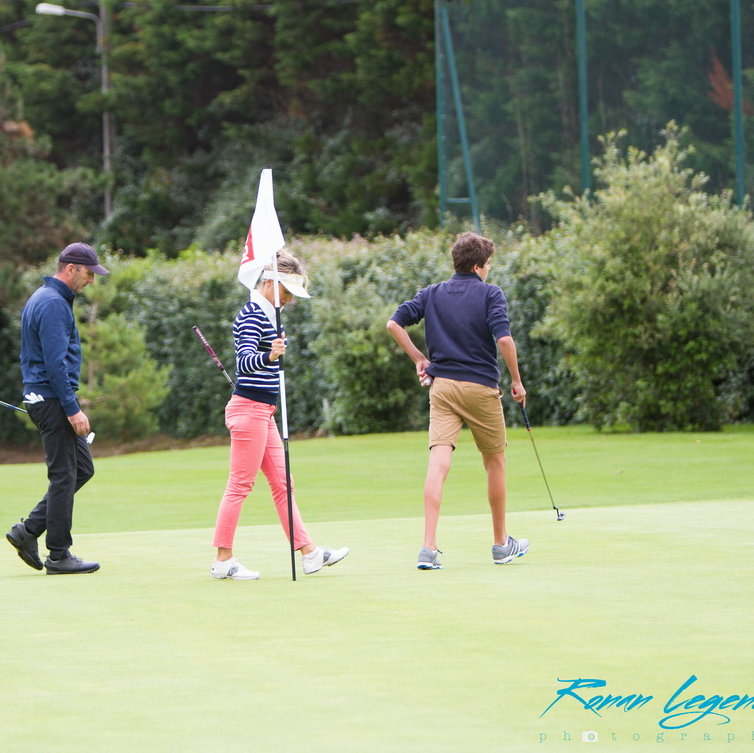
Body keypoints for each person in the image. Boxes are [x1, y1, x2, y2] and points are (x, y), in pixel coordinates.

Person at [385, 231, 529, 570]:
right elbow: (504, 341)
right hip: (480, 388)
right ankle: (500, 544)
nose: (489, 269)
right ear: (478, 266)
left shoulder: (432, 293)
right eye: (488, 264)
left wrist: (419, 359)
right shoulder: (490, 293)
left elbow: (394, 324)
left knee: (438, 462)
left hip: (443, 388)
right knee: (495, 462)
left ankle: (428, 548)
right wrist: (517, 381)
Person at [211, 250, 350, 580]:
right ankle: (222, 561)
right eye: (286, 292)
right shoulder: (252, 315)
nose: (288, 300)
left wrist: (272, 353)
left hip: (264, 412)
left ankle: (310, 554)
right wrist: (270, 355)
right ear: (271, 283)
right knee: (240, 485)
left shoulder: (271, 315)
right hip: (249, 411)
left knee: (283, 485)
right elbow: (245, 362)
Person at [5, 243, 109, 575]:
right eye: (88, 273)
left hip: (45, 398)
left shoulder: (46, 298)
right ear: (71, 268)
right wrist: (72, 408)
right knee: (64, 475)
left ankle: (28, 530)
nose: (91, 280)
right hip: (51, 399)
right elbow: (54, 364)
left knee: (81, 469)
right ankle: (59, 554)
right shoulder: (52, 304)